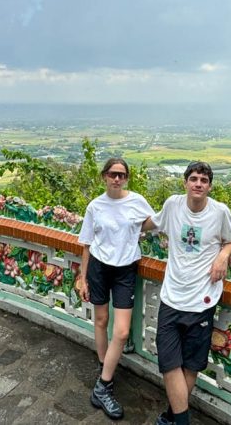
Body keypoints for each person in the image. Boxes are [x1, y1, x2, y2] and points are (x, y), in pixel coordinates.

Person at [142, 161, 231, 425]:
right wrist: (126, 223)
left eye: (203, 180)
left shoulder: (220, 212)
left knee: (191, 365)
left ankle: (173, 418)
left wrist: (223, 256)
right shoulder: (173, 205)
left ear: (209, 186)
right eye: (193, 178)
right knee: (169, 363)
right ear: (185, 182)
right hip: (172, 297)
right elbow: (152, 223)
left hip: (203, 299)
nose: (198, 184)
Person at [78, 157, 154, 420]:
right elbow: (86, 243)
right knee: (101, 320)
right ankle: (104, 369)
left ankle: (103, 386)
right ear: (104, 176)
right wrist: (82, 277)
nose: (117, 179)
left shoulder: (136, 201)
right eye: (113, 174)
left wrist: (139, 229)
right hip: (99, 265)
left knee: (120, 332)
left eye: (122, 175)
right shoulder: (95, 206)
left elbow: (152, 222)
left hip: (125, 268)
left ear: (127, 178)